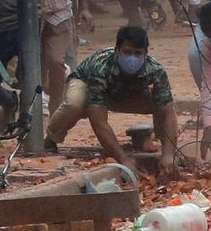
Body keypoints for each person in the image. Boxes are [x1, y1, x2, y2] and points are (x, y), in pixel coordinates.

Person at [43, 23, 182, 173]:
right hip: (88, 84)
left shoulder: (155, 71)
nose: (132, 58)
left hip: (126, 93)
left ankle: (164, 149)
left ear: (145, 54)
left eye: (137, 53)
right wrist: (124, 160)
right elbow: (99, 123)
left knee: (162, 103)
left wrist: (168, 155)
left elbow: (167, 112)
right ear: (117, 51)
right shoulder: (101, 68)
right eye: (127, 52)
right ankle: (51, 137)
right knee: (75, 103)